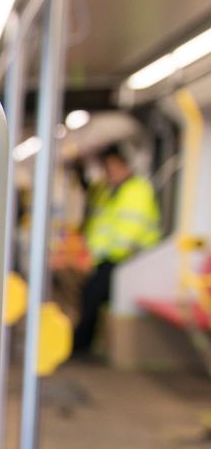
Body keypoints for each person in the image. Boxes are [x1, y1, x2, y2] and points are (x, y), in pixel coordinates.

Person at [73, 144, 161, 355]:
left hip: (128, 260)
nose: (110, 172)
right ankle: (85, 343)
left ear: (126, 165)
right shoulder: (108, 190)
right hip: (105, 258)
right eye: (107, 167)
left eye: (114, 167)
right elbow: (99, 224)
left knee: (92, 295)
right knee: (88, 295)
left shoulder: (137, 191)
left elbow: (127, 234)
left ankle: (81, 345)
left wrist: (98, 254)